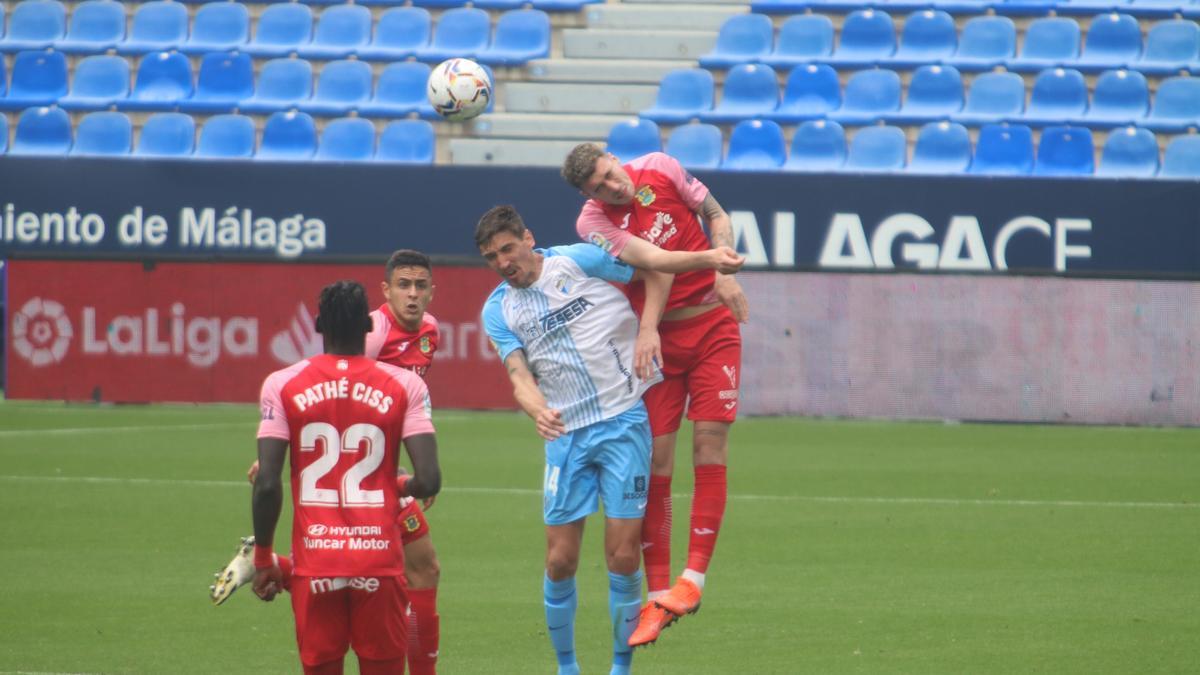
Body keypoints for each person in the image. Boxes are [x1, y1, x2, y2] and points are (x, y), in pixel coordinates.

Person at [475, 205, 741, 675]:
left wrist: (649, 327)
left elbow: (655, 266)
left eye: (507, 250)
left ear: (527, 238)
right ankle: (568, 668)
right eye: (491, 257)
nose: (502, 263)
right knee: (559, 561)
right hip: (566, 436)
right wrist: (534, 405)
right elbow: (517, 373)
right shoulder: (499, 308)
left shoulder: (579, 260)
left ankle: (621, 668)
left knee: (621, 556)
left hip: (623, 423)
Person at [211, 250, 444, 675]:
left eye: (420, 285)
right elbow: (428, 477)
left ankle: (275, 564)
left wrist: (276, 451)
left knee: (424, 565)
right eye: (405, 286)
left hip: (325, 539)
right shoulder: (391, 367)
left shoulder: (283, 382)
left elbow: (278, 463)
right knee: (421, 569)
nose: (413, 295)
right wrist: (397, 479)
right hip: (376, 509)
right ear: (375, 310)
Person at [561, 144, 749, 647]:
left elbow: (715, 212)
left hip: (712, 329)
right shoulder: (593, 223)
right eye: (598, 187)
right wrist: (714, 262)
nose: (612, 187)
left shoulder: (661, 167)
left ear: (613, 159)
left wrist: (723, 274)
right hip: (658, 343)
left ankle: (693, 581)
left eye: (609, 175)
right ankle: (660, 595)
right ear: (587, 194)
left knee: (709, 445)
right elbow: (656, 262)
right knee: (657, 463)